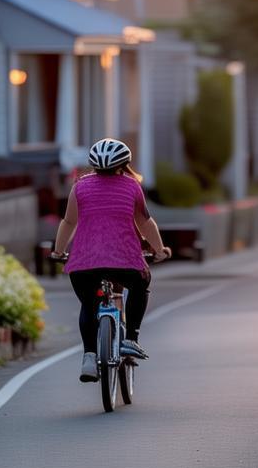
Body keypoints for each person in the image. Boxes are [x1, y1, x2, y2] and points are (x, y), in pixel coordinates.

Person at [52, 138, 171, 383]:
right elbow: (145, 223)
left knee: (88, 304)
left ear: (93, 165)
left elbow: (69, 222)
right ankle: (131, 340)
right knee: (140, 284)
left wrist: (58, 251)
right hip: (124, 261)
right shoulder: (132, 186)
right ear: (124, 164)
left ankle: (88, 357)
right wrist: (159, 250)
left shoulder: (80, 187)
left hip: (84, 262)